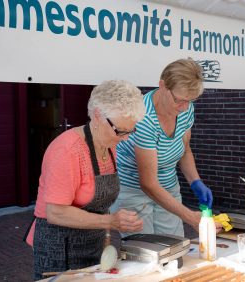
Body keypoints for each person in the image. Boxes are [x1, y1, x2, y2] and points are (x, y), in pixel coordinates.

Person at [26, 80, 146, 280]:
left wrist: (107, 237)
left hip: (94, 243)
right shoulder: (66, 151)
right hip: (59, 248)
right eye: (120, 131)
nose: (125, 138)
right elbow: (56, 212)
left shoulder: (109, 144)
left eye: (130, 130)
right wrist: (112, 221)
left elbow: (100, 205)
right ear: (98, 116)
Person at [111, 58, 216, 237]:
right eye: (179, 100)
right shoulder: (143, 117)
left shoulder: (186, 108)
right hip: (135, 192)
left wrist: (195, 181)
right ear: (162, 85)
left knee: (174, 249)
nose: (184, 108)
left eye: (190, 101)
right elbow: (148, 183)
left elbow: (185, 149)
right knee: (147, 253)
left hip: (168, 188)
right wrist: (190, 216)